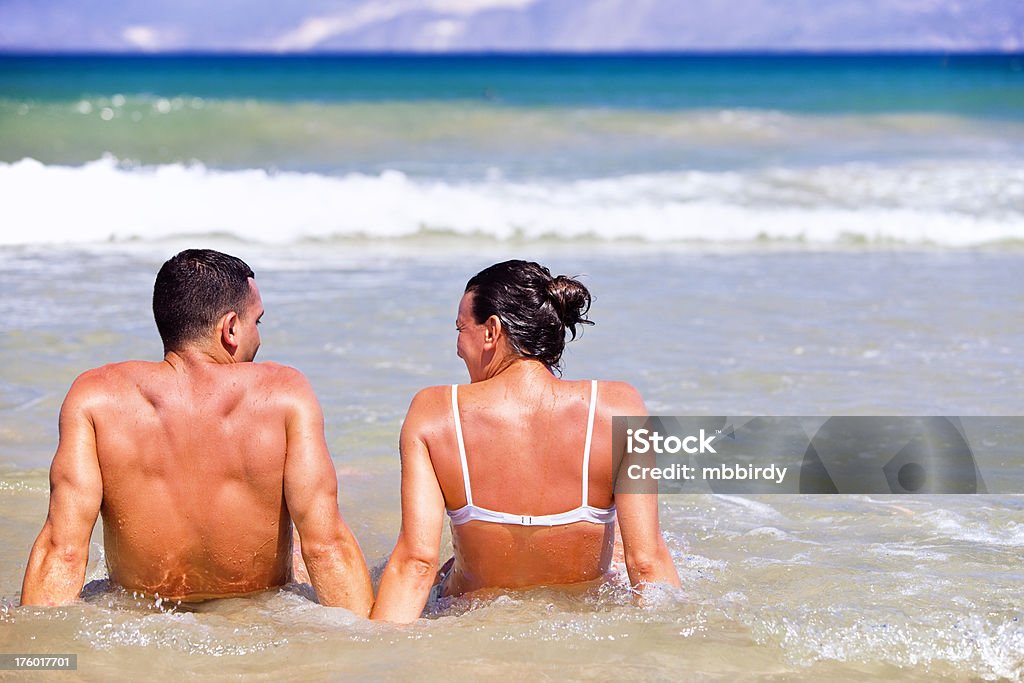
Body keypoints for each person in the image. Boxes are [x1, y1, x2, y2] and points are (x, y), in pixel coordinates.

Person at [21, 249, 373, 614]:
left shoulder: (94, 397)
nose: (259, 337)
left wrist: (36, 657)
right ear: (231, 328)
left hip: (143, 618)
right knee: (301, 547)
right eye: (258, 323)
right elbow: (326, 545)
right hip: (255, 616)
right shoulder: (284, 394)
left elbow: (62, 550)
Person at [371, 260, 680, 623]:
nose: (457, 347)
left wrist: (373, 657)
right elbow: (646, 564)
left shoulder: (434, 412)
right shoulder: (617, 407)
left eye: (460, 328)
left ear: (491, 331)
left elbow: (416, 563)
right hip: (579, 618)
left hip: (470, 616)